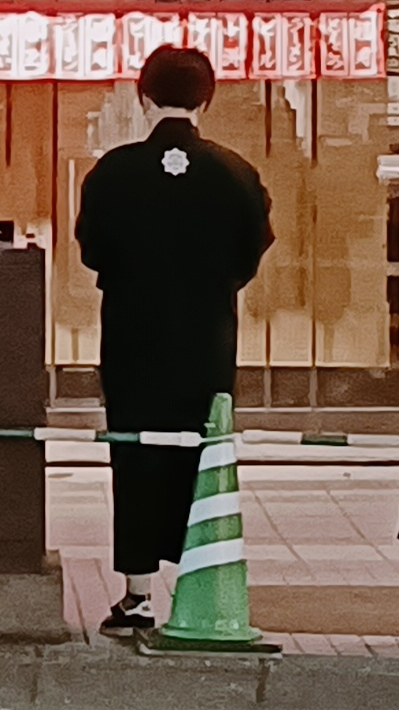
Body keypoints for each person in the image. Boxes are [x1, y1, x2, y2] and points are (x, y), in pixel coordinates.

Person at [73, 46, 271, 635]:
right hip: (207, 337)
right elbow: (251, 249)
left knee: (134, 456)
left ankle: (136, 595)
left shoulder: (113, 171)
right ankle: (199, 585)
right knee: (200, 454)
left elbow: (92, 249)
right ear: (207, 97)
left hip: (133, 337)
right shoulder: (236, 173)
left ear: (143, 94)